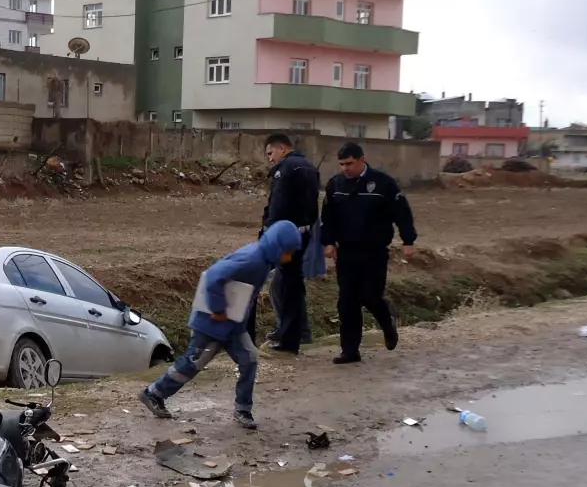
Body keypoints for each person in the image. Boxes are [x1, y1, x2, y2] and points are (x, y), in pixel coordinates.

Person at [139, 221, 303, 428]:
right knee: (192, 363)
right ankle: (153, 393)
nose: (289, 257)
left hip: (233, 326)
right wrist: (218, 309)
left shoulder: (263, 260)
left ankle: (243, 409)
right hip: (210, 323)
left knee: (250, 359)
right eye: (288, 252)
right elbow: (214, 276)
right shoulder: (253, 259)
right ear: (278, 246)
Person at [320, 142, 417, 365]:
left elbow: (402, 213)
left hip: (374, 252)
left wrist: (408, 240)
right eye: (342, 164)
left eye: (350, 163)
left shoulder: (383, 183)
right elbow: (328, 217)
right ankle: (350, 350)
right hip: (346, 253)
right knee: (347, 302)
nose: (346, 168)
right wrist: (328, 242)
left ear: (362, 159)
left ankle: (387, 321)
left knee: (371, 297)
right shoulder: (336, 185)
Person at [259, 134, 321, 354]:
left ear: (282, 149)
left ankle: (290, 336)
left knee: (285, 285)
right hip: (303, 233)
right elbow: (314, 204)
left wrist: (268, 231)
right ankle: (295, 331)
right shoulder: (309, 167)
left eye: (270, 153)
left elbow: (278, 203)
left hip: (285, 236)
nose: (269, 159)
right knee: (290, 283)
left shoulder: (284, 169)